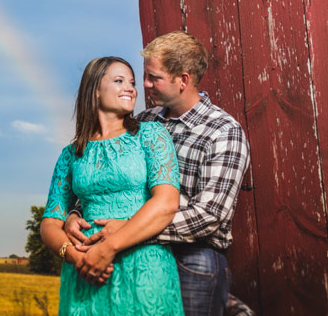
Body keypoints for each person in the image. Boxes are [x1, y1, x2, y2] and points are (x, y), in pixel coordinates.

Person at [66, 32, 252, 316]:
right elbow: (110, 178)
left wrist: (130, 230)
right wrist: (76, 213)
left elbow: (211, 215)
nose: (145, 85)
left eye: (154, 78)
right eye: (144, 76)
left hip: (192, 259)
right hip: (133, 255)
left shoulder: (223, 131)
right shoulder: (144, 121)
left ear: (183, 81)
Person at [40, 56, 184, 315]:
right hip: (84, 272)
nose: (130, 87)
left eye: (131, 82)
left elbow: (166, 203)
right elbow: (50, 223)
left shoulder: (151, 135)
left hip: (143, 267)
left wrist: (107, 248)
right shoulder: (71, 154)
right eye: (119, 81)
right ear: (95, 90)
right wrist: (76, 257)